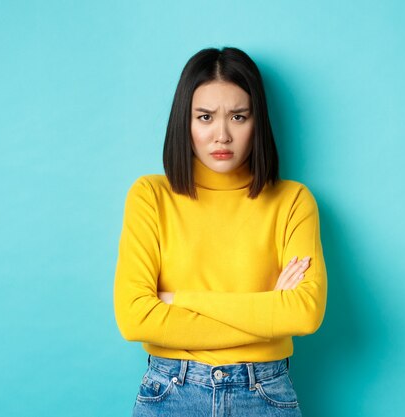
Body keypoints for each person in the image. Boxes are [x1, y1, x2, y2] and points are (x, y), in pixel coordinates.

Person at [113, 46, 327, 417]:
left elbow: (304, 314)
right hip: (171, 392)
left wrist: (179, 300)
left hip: (264, 394)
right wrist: (267, 316)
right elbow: (135, 318)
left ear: (257, 121)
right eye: (206, 117)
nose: (222, 135)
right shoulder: (151, 196)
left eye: (238, 116)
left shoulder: (292, 201)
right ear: (186, 121)